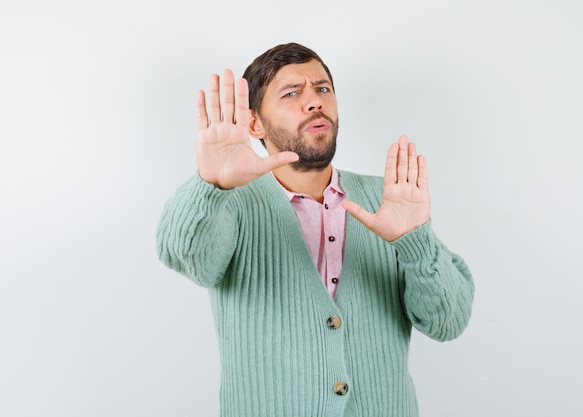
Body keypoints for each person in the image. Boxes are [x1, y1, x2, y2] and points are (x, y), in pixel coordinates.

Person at [157, 42, 474, 417]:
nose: (314, 101)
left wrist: (414, 241)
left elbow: (447, 322)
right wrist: (211, 186)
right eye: (291, 93)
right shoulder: (232, 201)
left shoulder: (388, 198)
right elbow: (186, 257)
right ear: (254, 122)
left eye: (322, 89)